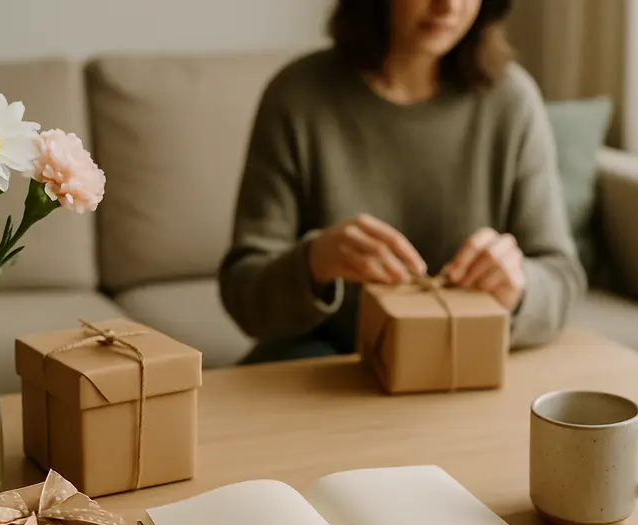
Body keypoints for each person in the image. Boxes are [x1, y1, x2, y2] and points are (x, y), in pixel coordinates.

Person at [219, 0, 585, 365]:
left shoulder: (512, 100)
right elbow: (243, 291)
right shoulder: (296, 96)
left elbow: (562, 277)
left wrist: (519, 286)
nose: (449, 6)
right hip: (322, 364)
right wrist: (315, 263)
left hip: (459, 361)